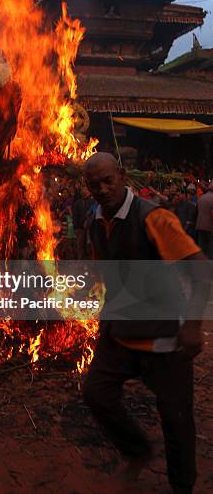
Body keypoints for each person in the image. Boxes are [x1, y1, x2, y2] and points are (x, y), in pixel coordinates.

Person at [82, 152, 210, 494]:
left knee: (176, 419)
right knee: (96, 392)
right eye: (94, 184)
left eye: (108, 180)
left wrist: (193, 326)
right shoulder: (94, 222)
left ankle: (182, 486)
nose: (102, 189)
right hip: (119, 333)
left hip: (164, 339)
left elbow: (199, 268)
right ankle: (137, 451)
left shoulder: (154, 218)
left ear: (122, 176)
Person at [72, 185, 94, 259]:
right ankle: (81, 264)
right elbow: (75, 216)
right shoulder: (77, 203)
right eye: (83, 190)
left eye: (86, 190)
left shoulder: (93, 202)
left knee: (90, 247)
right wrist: (76, 227)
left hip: (90, 228)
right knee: (80, 247)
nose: (84, 192)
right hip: (80, 228)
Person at [195, 181, 213, 259]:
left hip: (199, 224)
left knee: (202, 246)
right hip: (210, 226)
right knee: (210, 247)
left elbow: (196, 211)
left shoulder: (201, 197)